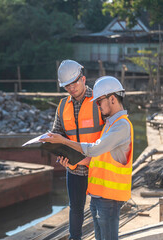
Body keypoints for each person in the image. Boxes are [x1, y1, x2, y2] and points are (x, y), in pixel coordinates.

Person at [42, 76, 133, 240]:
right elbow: (99, 159)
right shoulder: (110, 125)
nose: (97, 106)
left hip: (110, 197)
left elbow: (94, 149)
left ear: (112, 98)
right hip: (98, 195)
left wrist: (63, 141)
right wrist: (72, 162)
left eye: (99, 102)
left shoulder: (121, 126)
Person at [52, 60, 104, 240]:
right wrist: (61, 153)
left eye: (74, 83)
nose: (71, 88)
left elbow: (111, 135)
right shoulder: (62, 106)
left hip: (98, 168)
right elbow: (56, 135)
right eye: (67, 86)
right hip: (74, 168)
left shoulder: (99, 100)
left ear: (83, 78)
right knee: (75, 209)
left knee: (100, 211)